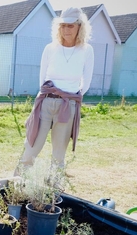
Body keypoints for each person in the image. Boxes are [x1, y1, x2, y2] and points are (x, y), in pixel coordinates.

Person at [14, 7, 94, 175]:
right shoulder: (50, 48)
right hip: (46, 102)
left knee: (58, 156)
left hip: (68, 106)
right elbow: (42, 79)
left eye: (70, 26)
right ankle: (17, 186)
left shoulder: (87, 51)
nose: (66, 29)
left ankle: (53, 194)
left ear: (80, 27)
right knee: (31, 148)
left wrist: (71, 97)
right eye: (63, 25)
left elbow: (85, 82)